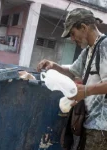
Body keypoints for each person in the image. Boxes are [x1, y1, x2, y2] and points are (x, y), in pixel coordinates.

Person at [37, 8, 107, 150]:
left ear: (83, 27)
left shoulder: (104, 46)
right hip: (90, 123)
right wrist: (55, 66)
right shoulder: (88, 50)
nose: (72, 39)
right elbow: (73, 71)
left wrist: (86, 90)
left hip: (102, 127)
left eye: (73, 34)